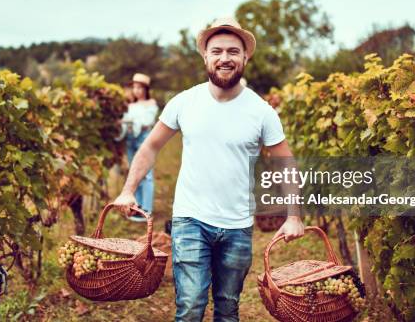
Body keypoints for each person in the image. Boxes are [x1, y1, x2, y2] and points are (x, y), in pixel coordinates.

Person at [113, 17, 304, 321]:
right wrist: (127, 190)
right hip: (190, 220)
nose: (224, 58)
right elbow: (149, 147)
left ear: (245, 57)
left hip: (238, 226)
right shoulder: (184, 102)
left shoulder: (262, 112)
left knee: (228, 308)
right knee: (190, 307)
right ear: (205, 56)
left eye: (232, 51)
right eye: (217, 51)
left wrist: (294, 216)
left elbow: (286, 163)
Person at [117, 73, 158, 221]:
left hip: (143, 139)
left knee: (146, 174)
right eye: (135, 87)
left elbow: (147, 121)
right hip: (130, 139)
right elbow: (126, 121)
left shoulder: (151, 104)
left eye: (140, 88)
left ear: (146, 89)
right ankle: (137, 206)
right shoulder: (131, 105)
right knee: (134, 172)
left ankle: (146, 209)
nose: (137, 90)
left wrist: (130, 122)